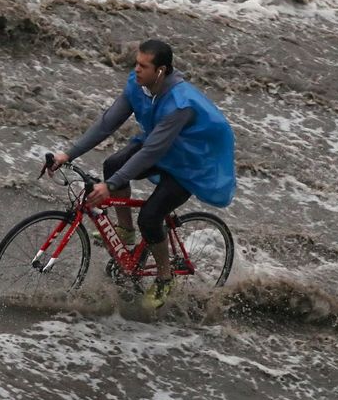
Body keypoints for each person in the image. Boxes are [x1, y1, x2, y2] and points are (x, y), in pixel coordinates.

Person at [49, 39, 236, 309]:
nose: (136, 69)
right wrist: (68, 154)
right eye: (136, 63)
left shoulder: (180, 104)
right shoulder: (138, 86)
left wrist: (110, 186)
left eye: (143, 66)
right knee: (113, 164)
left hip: (192, 164)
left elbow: (151, 152)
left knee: (150, 217)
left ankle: (164, 276)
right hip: (162, 146)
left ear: (160, 71)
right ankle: (125, 231)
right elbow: (106, 124)